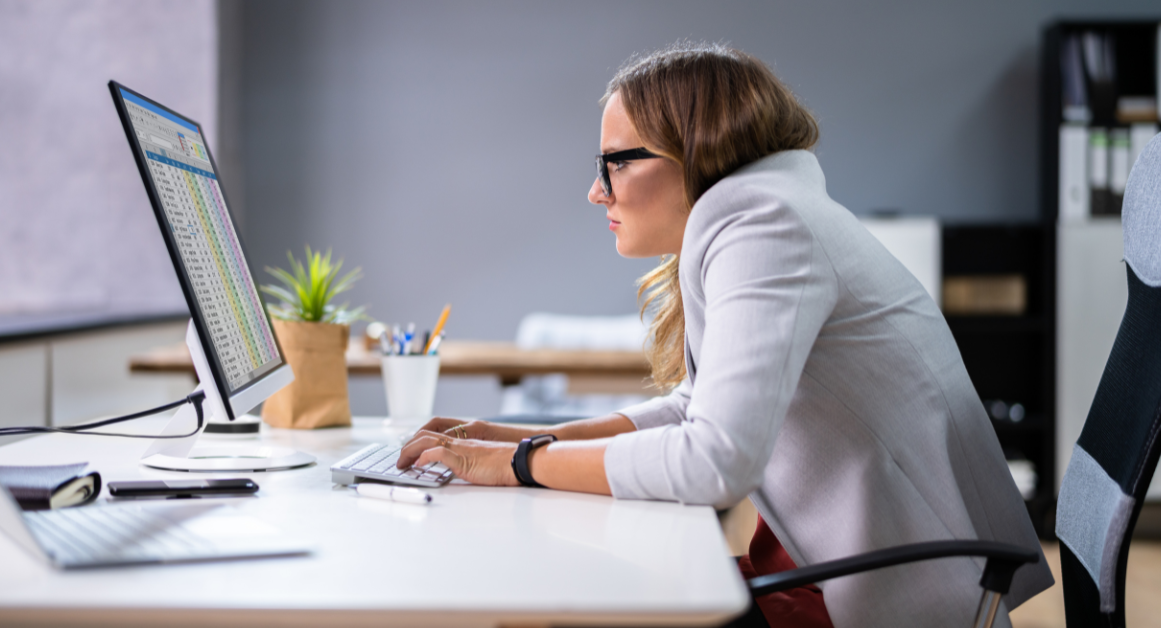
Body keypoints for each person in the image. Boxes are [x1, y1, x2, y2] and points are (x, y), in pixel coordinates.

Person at [396, 42, 1051, 628]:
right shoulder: (764, 213)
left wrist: (517, 467)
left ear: (694, 153)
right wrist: (523, 440)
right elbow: (694, 405)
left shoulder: (765, 226)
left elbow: (713, 461)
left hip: (884, 600)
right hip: (829, 573)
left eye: (614, 162)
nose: (597, 191)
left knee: (557, 597)